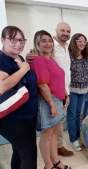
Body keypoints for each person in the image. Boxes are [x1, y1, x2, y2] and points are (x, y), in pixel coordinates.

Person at [26, 22, 73, 156]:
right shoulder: (39, 57)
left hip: (61, 94)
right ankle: (50, 161)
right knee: (48, 134)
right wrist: (52, 104)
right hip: (49, 99)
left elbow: (62, 74)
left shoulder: (58, 53)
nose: (47, 44)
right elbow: (42, 83)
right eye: (62, 30)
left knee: (54, 131)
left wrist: (66, 94)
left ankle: (55, 159)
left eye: (68, 31)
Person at [0, 26, 38, 169]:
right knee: (29, 153)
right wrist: (24, 69)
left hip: (27, 115)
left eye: (21, 40)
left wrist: (24, 64)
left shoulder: (18, 57)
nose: (18, 44)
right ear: (2, 40)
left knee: (19, 151)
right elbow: (2, 86)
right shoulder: (2, 58)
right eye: (13, 39)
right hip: (13, 118)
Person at [67, 33, 88, 151]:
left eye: (84, 42)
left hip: (83, 88)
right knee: (71, 115)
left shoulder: (85, 55)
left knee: (78, 115)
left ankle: (78, 136)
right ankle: (73, 139)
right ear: (74, 42)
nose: (82, 44)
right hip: (72, 89)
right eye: (80, 41)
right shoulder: (69, 55)